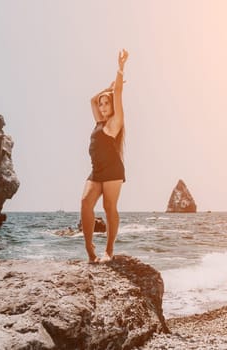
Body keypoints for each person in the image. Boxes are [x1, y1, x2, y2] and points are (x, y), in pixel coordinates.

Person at [81, 49, 128, 263]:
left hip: (112, 171)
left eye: (105, 102)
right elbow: (91, 100)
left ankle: (109, 250)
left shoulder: (115, 122)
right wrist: (105, 89)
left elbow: (118, 94)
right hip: (96, 171)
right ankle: (91, 251)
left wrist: (120, 68)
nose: (101, 106)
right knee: (85, 203)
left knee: (109, 208)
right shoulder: (99, 121)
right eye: (102, 104)